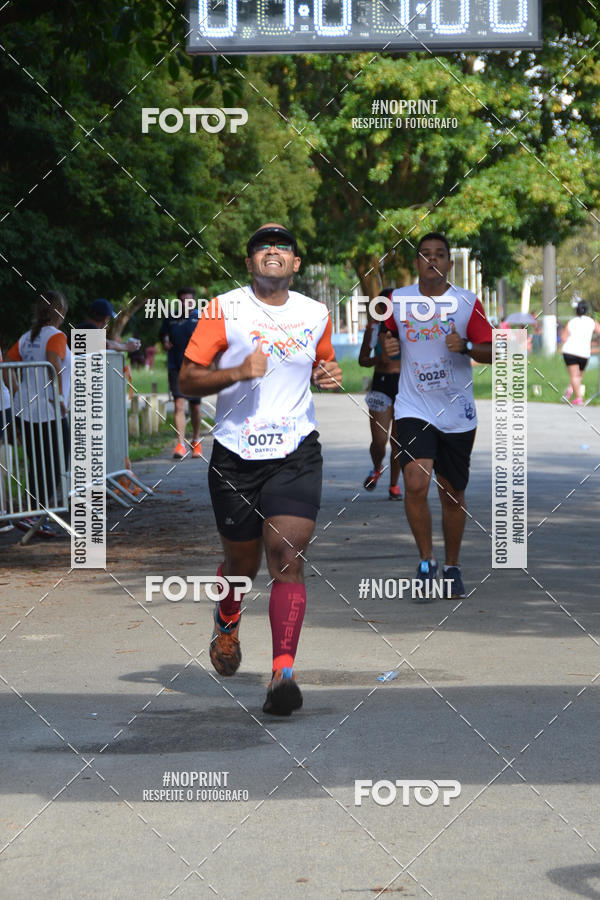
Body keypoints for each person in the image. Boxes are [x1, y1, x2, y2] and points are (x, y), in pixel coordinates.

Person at [179, 223, 342, 716]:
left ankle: (282, 674)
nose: (273, 250)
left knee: (287, 556)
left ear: (296, 263)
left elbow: (324, 363)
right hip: (235, 454)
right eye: (262, 247)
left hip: (296, 451)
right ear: (249, 262)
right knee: (242, 567)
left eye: (283, 246)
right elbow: (187, 379)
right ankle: (227, 616)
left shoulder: (315, 313)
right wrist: (237, 372)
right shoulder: (224, 309)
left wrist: (328, 374)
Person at [383, 233, 493, 600]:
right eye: (425, 254)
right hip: (413, 407)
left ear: (449, 262)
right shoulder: (398, 300)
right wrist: (387, 344)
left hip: (456, 412)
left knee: (452, 493)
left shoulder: (466, 302)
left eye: (440, 255)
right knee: (415, 482)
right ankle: (426, 561)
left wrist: (467, 346)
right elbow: (385, 337)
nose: (432, 260)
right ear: (416, 262)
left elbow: (493, 351)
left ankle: (453, 567)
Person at [5, 291, 72, 536]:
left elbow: (7, 363)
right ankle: (35, 513)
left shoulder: (27, 337)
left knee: (38, 463)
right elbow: (53, 363)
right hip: (49, 410)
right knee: (57, 462)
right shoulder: (56, 336)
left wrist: (17, 392)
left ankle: (33, 513)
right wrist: (59, 397)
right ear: (60, 312)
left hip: (27, 409)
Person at [358, 288, 402, 499]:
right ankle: (377, 467)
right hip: (381, 384)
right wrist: (379, 359)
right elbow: (362, 360)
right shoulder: (373, 329)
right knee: (379, 440)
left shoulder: (409, 329)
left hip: (404, 386)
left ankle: (394, 485)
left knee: (398, 442)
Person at [159, 288, 203, 459]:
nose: (186, 304)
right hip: (176, 366)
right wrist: (165, 342)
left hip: (196, 367)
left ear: (194, 301)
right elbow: (163, 334)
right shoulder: (171, 318)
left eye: (189, 300)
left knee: (195, 406)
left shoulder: (201, 317)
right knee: (179, 404)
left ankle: (196, 440)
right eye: (183, 300)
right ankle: (180, 444)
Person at [561, 300, 600, 405]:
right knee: (579, 376)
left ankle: (578, 397)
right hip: (584, 353)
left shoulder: (572, 321)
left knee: (574, 376)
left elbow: (564, 338)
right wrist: (595, 342)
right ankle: (572, 391)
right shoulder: (592, 321)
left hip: (570, 351)